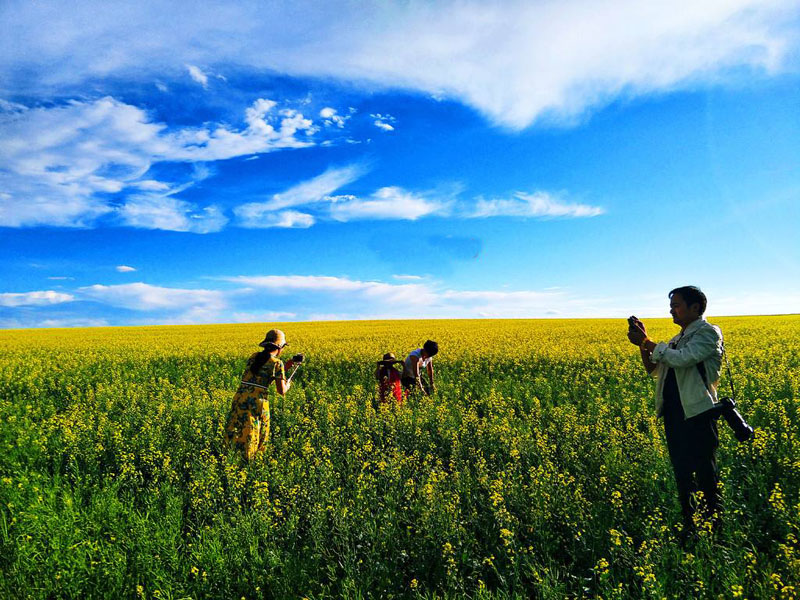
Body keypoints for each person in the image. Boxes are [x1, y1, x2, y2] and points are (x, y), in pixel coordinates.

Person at [627, 286, 724, 540]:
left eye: (676, 305)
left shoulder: (708, 333)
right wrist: (643, 343)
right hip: (674, 415)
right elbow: (655, 369)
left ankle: (714, 530)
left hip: (699, 414)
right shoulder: (676, 339)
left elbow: (683, 359)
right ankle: (691, 526)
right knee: (682, 473)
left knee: (704, 473)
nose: (672, 310)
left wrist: (648, 342)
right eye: (672, 306)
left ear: (695, 308)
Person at [225, 329, 301, 460]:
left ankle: (229, 458)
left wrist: (286, 366)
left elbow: (260, 378)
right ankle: (250, 463)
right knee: (255, 432)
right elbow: (281, 390)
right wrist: (288, 383)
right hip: (257, 402)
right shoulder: (277, 363)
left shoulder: (254, 357)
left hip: (240, 398)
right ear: (280, 347)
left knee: (237, 429)